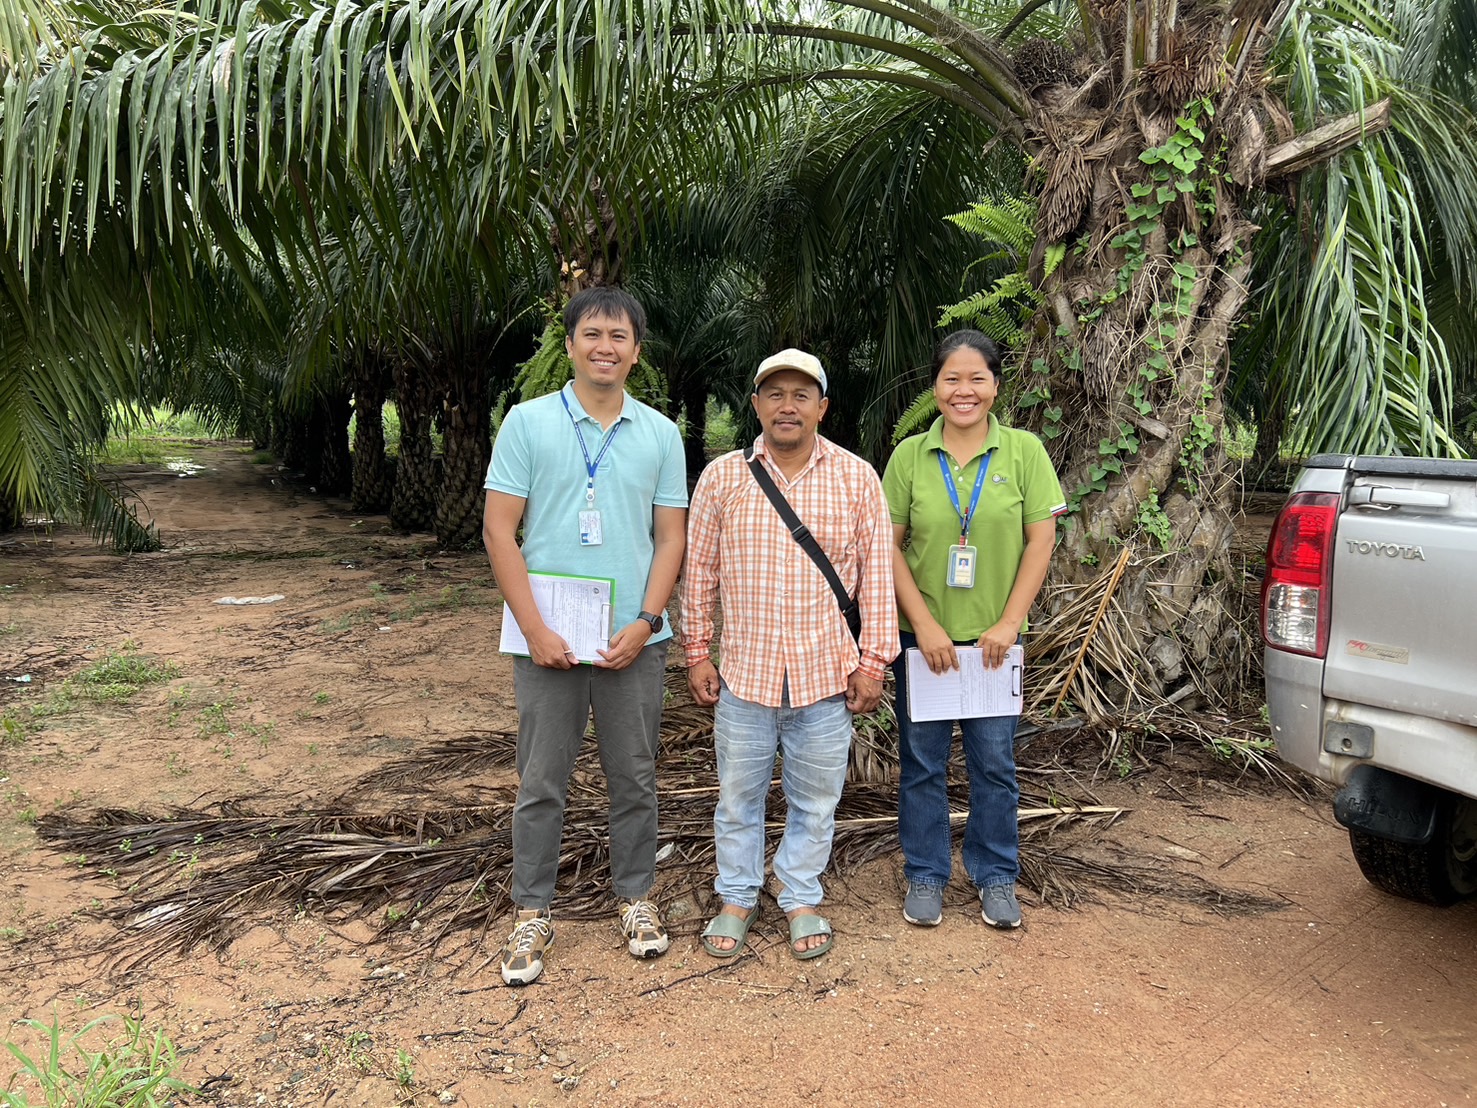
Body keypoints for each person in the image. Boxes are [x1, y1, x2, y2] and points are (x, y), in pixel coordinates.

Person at [482, 286, 687, 986]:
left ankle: (635, 897)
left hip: (633, 641)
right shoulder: (527, 423)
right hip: (548, 640)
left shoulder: (659, 433)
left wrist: (647, 620)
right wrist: (534, 628)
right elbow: (498, 529)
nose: (606, 347)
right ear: (569, 344)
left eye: (620, 336)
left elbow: (670, 537)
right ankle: (532, 911)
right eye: (592, 333)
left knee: (634, 778)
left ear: (636, 350)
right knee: (542, 780)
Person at [682, 348, 897, 961]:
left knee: (815, 799)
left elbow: (877, 576)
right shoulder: (723, 478)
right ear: (755, 404)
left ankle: (800, 894)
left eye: (801, 395)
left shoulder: (857, 477)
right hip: (744, 675)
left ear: (822, 407)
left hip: (826, 674)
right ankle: (737, 897)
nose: (787, 406)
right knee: (738, 798)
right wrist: (698, 650)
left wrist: (873, 661)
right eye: (774, 393)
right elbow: (700, 573)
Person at [882, 329, 1066, 930]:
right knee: (923, 764)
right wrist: (926, 626)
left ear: (995, 385)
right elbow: (887, 549)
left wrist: (1010, 623)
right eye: (951, 379)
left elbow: (1041, 542)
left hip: (994, 647)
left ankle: (995, 877)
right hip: (925, 645)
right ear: (934, 386)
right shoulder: (910, 455)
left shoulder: (1024, 453)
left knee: (994, 764)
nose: (963, 391)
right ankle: (927, 875)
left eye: (976, 378)